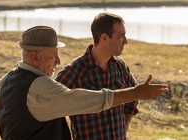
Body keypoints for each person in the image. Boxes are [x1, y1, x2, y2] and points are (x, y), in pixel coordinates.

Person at [0, 25, 168, 140]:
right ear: (34, 57)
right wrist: (135, 93)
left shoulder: (8, 79)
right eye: (54, 56)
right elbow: (88, 100)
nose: (58, 62)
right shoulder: (40, 86)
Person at [55, 12, 152, 140]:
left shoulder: (120, 66)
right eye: (121, 36)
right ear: (104, 38)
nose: (126, 41)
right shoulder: (74, 71)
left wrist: (124, 127)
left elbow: (134, 97)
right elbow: (51, 105)